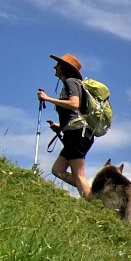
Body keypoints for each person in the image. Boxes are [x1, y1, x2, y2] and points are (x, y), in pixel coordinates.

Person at [38, 53, 92, 198]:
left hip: (78, 133)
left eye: (58, 64)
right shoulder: (71, 83)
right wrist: (60, 127)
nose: (55, 67)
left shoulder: (71, 82)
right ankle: (93, 194)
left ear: (64, 68)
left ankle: (92, 203)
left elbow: (75, 104)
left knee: (79, 174)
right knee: (57, 170)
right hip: (74, 132)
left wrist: (48, 99)